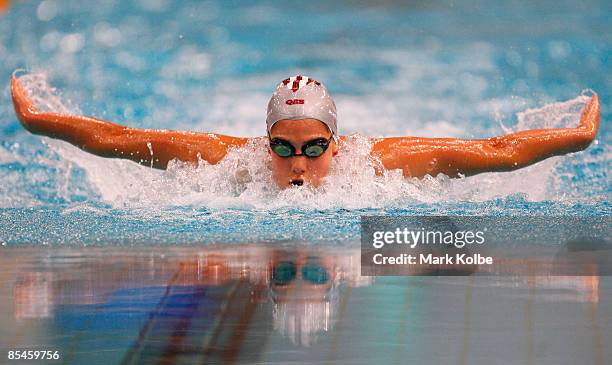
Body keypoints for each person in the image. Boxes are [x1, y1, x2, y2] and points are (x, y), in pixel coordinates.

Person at [11, 73, 600, 188]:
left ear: (335, 144)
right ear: (263, 142)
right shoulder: (228, 162)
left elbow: (495, 151)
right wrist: (39, 123)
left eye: (315, 148)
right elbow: (118, 139)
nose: (299, 164)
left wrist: (575, 138)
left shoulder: (377, 168)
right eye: (284, 148)